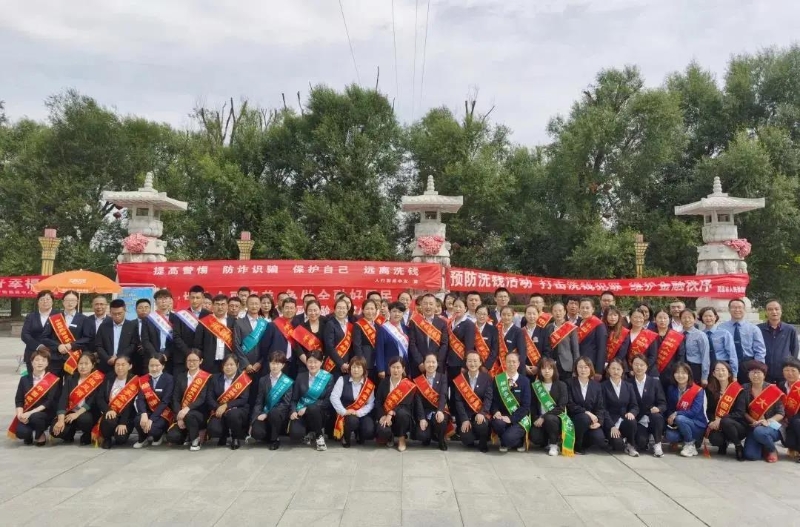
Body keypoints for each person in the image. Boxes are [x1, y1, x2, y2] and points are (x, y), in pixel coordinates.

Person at [51, 352, 104, 445]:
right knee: (55, 431)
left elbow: (91, 402)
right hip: (71, 411)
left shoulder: (97, 379)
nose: (83, 367)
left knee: (84, 419)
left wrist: (77, 414)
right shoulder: (70, 378)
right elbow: (63, 399)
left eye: (86, 364)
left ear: (93, 365)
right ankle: (69, 433)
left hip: (88, 412)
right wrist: (60, 419)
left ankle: (87, 434)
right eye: (80, 363)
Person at [9, 348, 60, 446]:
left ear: (47, 363)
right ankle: (28, 434)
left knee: (36, 417)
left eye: (43, 360)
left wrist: (29, 413)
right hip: (27, 412)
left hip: (45, 413)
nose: (40, 363)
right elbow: (19, 399)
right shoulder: (24, 379)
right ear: (31, 362)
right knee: (21, 433)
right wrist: (20, 415)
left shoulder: (53, 380)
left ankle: (40, 433)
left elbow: (49, 402)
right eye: (37, 360)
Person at [166, 350, 212, 452]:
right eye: (189, 360)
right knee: (173, 437)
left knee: (190, 415)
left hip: (200, 414)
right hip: (182, 414)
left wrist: (187, 408)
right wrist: (179, 416)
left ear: (201, 361)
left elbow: (202, 398)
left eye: (195, 360)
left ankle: (195, 440)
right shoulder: (181, 377)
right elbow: (175, 398)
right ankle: (188, 434)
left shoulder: (207, 377)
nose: (191, 363)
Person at [289, 350, 333, 451]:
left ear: (321, 362)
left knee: (313, 409)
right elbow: (294, 399)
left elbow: (327, 401)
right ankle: (310, 432)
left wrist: (307, 408)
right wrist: (293, 411)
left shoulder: (328, 377)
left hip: (320, 412)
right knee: (296, 434)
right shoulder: (300, 376)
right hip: (301, 411)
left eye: (315, 362)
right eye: (310, 362)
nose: (312, 365)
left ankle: (319, 436)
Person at [375, 356, 421, 451]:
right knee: (382, 431)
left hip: (402, 415)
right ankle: (390, 436)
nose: (395, 370)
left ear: (403, 369)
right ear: (389, 368)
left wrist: (391, 413)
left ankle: (401, 438)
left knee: (402, 414)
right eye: (393, 367)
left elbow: (405, 404)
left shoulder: (408, 384)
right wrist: (382, 416)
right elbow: (378, 402)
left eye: (398, 367)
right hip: (385, 415)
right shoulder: (383, 382)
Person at [742, 360, 784, 462]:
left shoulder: (773, 390)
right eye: (753, 372)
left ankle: (771, 449)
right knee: (751, 455)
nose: (755, 375)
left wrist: (767, 421)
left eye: (758, 372)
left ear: (764, 375)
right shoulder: (744, 388)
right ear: (748, 375)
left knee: (760, 432)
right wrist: (753, 421)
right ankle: (764, 445)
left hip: (772, 426)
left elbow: (781, 413)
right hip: (754, 425)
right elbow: (742, 411)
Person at [206, 354, 251, 450]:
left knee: (233, 414)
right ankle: (223, 435)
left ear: (237, 365)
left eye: (231, 364)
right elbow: (209, 398)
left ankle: (235, 437)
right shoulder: (215, 378)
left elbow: (243, 399)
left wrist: (226, 406)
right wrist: (218, 407)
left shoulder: (243, 379)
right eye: (226, 365)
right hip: (219, 409)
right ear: (222, 366)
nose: (228, 367)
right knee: (213, 429)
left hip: (238, 410)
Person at [250, 351, 294, 450]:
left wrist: (267, 414)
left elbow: (285, 403)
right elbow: (259, 401)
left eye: (278, 363)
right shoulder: (263, 380)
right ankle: (268, 434)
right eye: (273, 363)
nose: (275, 366)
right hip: (264, 412)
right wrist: (254, 419)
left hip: (279, 414)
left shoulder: (287, 381)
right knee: (256, 433)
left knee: (274, 413)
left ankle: (275, 439)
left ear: (283, 365)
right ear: (269, 364)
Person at [330, 356, 376, 447]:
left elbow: (371, 403)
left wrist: (359, 412)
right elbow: (334, 397)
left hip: (361, 413)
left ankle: (359, 433)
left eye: (359, 367)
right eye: (353, 367)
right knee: (352, 421)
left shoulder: (369, 384)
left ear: (364, 369)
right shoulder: (342, 380)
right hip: (346, 414)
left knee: (369, 429)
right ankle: (346, 437)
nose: (356, 370)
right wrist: (344, 411)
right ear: (350, 368)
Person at [95, 354, 139, 449]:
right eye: (117, 365)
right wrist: (108, 410)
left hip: (126, 417)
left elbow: (131, 405)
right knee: (109, 419)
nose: (120, 367)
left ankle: (119, 433)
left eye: (123, 365)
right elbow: (100, 398)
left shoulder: (135, 381)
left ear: (130, 366)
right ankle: (107, 438)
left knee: (120, 439)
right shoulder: (108, 378)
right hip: (111, 413)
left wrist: (123, 422)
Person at [490, 351, 531, 453]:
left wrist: (511, 419)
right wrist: (495, 411)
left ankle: (516, 441)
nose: (511, 364)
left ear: (518, 363)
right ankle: (506, 441)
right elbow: (493, 400)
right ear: (505, 363)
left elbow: (526, 406)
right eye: (509, 361)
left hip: (520, 418)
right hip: (502, 416)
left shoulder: (525, 381)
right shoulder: (498, 379)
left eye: (514, 362)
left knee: (508, 439)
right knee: (497, 424)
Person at [41, 290, 87, 378]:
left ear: (77, 302)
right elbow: (44, 337)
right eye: (67, 300)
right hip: (55, 358)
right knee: (54, 384)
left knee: (71, 384)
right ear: (63, 302)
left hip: (74, 358)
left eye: (73, 300)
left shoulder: (84, 319)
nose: (70, 303)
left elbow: (87, 338)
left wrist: (71, 345)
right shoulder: (54, 318)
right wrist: (58, 346)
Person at [664, 362, 707, 457]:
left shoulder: (698, 390)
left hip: (696, 424)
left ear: (689, 375)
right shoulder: (671, 389)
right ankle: (692, 441)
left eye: (683, 373)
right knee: (670, 435)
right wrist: (670, 417)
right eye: (677, 372)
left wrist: (676, 413)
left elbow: (694, 412)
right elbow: (670, 408)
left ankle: (689, 444)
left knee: (680, 418)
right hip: (679, 424)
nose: (680, 375)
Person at [705, 361, 746, 460]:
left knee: (726, 421)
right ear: (713, 373)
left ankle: (738, 446)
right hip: (718, 425)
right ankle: (723, 443)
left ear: (729, 373)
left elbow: (740, 413)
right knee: (715, 439)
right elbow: (709, 410)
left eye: (723, 370)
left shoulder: (738, 390)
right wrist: (712, 421)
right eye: (717, 370)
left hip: (737, 426)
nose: (720, 373)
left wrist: (721, 419)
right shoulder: (710, 390)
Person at [719, 299, 766, 385]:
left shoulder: (753, 328)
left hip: (748, 363)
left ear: (744, 309)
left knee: (748, 389)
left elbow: (760, 350)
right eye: (734, 307)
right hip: (728, 364)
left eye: (740, 307)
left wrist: (758, 368)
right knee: (729, 389)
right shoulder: (721, 328)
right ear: (729, 309)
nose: (737, 310)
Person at [530, 357, 571, 456]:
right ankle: (546, 441)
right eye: (543, 368)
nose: (547, 371)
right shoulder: (536, 386)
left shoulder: (561, 385)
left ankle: (554, 444)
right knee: (535, 438)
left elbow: (561, 407)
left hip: (555, 419)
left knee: (550, 418)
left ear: (554, 370)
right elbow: (532, 406)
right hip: (539, 420)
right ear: (540, 370)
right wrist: (536, 418)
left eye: (550, 368)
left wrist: (543, 417)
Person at [453, 351, 493, 452]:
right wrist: (464, 419)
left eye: (475, 361)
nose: (472, 364)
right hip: (467, 415)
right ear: (466, 363)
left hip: (481, 414)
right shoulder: (460, 379)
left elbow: (488, 398)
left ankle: (483, 441)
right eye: (470, 361)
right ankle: (472, 436)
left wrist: (482, 413)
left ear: (480, 363)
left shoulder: (487, 378)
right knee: (466, 439)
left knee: (481, 424)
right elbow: (458, 401)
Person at [628, 354, 667, 457]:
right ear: (631, 365)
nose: (639, 367)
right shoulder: (628, 383)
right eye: (636, 364)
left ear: (647, 366)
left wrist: (658, 408)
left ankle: (657, 444)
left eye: (642, 365)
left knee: (657, 417)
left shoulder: (654, 382)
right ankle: (643, 441)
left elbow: (663, 403)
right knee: (641, 442)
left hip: (652, 417)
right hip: (639, 419)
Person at [566, 356, 606, 454]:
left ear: (590, 368)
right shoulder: (569, 383)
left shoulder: (596, 386)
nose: (583, 370)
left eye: (586, 367)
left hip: (591, 421)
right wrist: (587, 412)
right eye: (580, 367)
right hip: (574, 418)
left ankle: (583, 442)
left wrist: (599, 422)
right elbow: (569, 404)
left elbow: (600, 407)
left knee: (599, 439)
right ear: (576, 368)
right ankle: (577, 446)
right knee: (584, 418)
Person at [133, 355, 174, 449]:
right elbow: (140, 399)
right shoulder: (143, 379)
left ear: (163, 366)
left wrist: (151, 419)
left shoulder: (169, 379)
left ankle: (158, 437)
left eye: (157, 365)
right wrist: (143, 413)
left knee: (153, 429)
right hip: (147, 411)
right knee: (138, 420)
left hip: (162, 413)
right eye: (151, 365)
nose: (154, 369)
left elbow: (165, 401)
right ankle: (142, 438)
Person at [601, 359, 639, 456]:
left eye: (618, 369)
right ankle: (619, 441)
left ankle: (631, 445)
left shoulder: (628, 386)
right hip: (611, 421)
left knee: (631, 420)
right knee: (618, 446)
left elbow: (634, 406)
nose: (616, 371)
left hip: (624, 420)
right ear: (608, 370)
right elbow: (603, 409)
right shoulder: (603, 386)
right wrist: (611, 426)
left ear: (623, 370)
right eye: (613, 368)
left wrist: (632, 412)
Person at [413, 353, 450, 451]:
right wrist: (422, 418)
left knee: (441, 421)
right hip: (425, 411)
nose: (431, 365)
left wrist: (440, 410)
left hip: (438, 409)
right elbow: (418, 401)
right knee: (422, 435)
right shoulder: (418, 380)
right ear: (424, 364)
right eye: (428, 362)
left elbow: (443, 395)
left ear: (437, 364)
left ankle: (441, 440)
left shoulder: (442, 377)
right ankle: (428, 436)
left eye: (433, 362)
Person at [171, 285, 210, 378]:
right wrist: (189, 352)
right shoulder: (180, 315)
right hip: (182, 358)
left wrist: (199, 354)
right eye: (192, 297)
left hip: (203, 359)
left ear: (203, 298)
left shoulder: (209, 315)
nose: (195, 300)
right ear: (188, 298)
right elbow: (176, 336)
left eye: (198, 298)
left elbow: (210, 339)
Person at [445, 298, 476, 409]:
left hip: (459, 363)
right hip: (447, 362)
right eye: (455, 306)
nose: (457, 309)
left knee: (457, 389)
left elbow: (469, 346)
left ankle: (456, 413)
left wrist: (464, 364)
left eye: (460, 306)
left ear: (465, 308)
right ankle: (448, 411)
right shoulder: (449, 322)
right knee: (446, 388)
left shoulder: (469, 324)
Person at [758, 300, 799, 384]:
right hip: (764, 373)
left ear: (781, 311)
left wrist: (791, 369)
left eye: (776, 309)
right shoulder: (758, 329)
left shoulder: (790, 329)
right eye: (770, 309)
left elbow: (794, 350)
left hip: (784, 373)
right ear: (766, 312)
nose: (774, 312)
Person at [408, 294, 449, 376]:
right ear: (421, 305)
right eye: (425, 303)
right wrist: (420, 362)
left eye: (431, 304)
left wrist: (436, 362)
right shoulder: (414, 322)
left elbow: (444, 344)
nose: (428, 306)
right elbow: (412, 344)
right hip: (419, 366)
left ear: (435, 306)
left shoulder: (442, 323)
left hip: (437, 365)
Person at [95, 299, 139, 375]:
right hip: (107, 364)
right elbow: (98, 345)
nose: (117, 316)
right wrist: (107, 359)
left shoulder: (132, 326)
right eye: (114, 314)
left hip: (125, 364)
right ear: (110, 312)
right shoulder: (104, 326)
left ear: (125, 311)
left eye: (119, 313)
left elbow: (133, 345)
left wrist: (118, 357)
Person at [194, 295, 236, 374]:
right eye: (217, 304)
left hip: (228, 362)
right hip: (208, 363)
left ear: (227, 306)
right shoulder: (204, 322)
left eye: (223, 304)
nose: (220, 307)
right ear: (213, 306)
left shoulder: (234, 322)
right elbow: (198, 344)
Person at [259, 297, 297, 378]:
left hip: (293, 365)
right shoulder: (273, 325)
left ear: (295, 310)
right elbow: (264, 347)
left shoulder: (298, 326)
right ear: (282, 309)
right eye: (287, 308)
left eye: (291, 308)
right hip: (276, 364)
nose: (289, 310)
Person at [21, 290, 56, 375]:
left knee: (52, 381)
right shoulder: (31, 316)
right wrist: (39, 346)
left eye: (48, 299)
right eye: (42, 299)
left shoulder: (59, 316)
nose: (45, 301)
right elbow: (25, 335)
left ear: (52, 301)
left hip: (54, 355)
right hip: (33, 354)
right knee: (33, 381)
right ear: (38, 302)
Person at [235, 294, 268, 384]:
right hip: (244, 366)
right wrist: (246, 364)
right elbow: (236, 344)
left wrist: (260, 363)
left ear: (260, 305)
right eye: (251, 304)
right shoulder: (239, 323)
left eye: (256, 304)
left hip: (260, 366)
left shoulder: (265, 324)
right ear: (246, 305)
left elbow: (267, 346)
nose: (254, 306)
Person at [699, 307, 738, 379]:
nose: (708, 318)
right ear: (702, 318)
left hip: (723, 366)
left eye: (710, 316)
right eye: (705, 316)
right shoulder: (700, 335)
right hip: (707, 367)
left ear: (715, 317)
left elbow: (732, 354)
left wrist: (734, 373)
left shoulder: (724, 333)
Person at [653, 308, 685, 394]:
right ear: (655, 319)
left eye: (665, 318)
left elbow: (681, 356)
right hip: (652, 372)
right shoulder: (649, 334)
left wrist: (677, 371)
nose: (662, 320)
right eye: (660, 317)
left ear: (669, 319)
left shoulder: (677, 336)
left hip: (671, 372)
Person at [543, 302, 579, 380]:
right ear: (552, 313)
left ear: (565, 312)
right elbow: (546, 347)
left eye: (560, 310)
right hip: (551, 364)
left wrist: (575, 368)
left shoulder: (570, 327)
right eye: (555, 311)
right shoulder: (548, 327)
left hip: (566, 365)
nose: (558, 313)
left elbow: (575, 350)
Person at [375, 302, 410, 378]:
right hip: (389, 367)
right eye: (394, 311)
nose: (397, 314)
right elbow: (379, 350)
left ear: (403, 314)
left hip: (404, 367)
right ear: (389, 312)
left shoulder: (406, 328)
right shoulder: (383, 329)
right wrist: (381, 369)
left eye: (399, 312)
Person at [292, 300, 325, 376]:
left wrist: (319, 363)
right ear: (306, 312)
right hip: (304, 366)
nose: (313, 313)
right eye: (310, 310)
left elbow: (328, 346)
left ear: (320, 311)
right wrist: (308, 363)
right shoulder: (301, 327)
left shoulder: (326, 326)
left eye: (315, 310)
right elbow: (298, 349)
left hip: (322, 365)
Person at [323, 298, 354, 377]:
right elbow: (329, 346)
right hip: (333, 364)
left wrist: (349, 363)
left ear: (347, 310)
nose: (341, 310)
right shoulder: (330, 324)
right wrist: (341, 364)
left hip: (347, 365)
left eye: (343, 308)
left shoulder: (350, 325)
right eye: (339, 308)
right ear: (335, 310)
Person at [577, 298, 607, 377]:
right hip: (578, 364)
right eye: (582, 308)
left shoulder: (599, 325)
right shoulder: (577, 323)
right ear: (579, 309)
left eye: (587, 308)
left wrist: (599, 371)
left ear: (593, 309)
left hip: (591, 365)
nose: (585, 310)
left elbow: (602, 349)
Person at [679, 309, 710, 386]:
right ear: (680, 319)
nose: (687, 320)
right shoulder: (678, 335)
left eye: (689, 317)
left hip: (696, 368)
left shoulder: (700, 335)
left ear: (694, 319)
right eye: (684, 317)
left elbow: (705, 356)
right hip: (681, 368)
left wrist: (704, 377)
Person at [495, 306, 527, 377]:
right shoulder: (497, 330)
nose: (506, 317)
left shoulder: (518, 331)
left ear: (513, 316)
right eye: (503, 315)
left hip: (514, 366)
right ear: (500, 316)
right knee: (501, 383)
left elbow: (522, 352)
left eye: (509, 315)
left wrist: (518, 366)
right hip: (499, 365)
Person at [779, 357, 800, 462]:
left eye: (793, 370)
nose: (790, 373)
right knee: (789, 442)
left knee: (797, 422)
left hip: (797, 420)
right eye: (786, 370)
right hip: (787, 420)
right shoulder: (781, 385)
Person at [626, 309, 658, 377]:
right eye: (635, 317)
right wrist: (629, 370)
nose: (638, 320)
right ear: (630, 318)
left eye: (640, 317)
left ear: (644, 318)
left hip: (648, 372)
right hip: (629, 373)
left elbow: (652, 356)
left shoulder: (650, 335)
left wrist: (641, 369)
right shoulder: (625, 334)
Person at [352, 299, 379, 380]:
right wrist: (361, 363)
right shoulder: (358, 325)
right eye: (367, 309)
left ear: (376, 310)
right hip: (366, 361)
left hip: (377, 362)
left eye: (372, 309)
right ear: (363, 310)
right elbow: (357, 345)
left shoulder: (378, 325)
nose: (370, 311)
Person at [521, 305, 544, 379]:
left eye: (534, 313)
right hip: (523, 369)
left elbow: (547, 351)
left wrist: (538, 366)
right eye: (529, 313)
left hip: (539, 370)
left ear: (538, 315)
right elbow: (516, 351)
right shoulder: (520, 332)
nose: (531, 316)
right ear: (525, 315)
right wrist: (523, 366)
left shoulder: (543, 331)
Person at [474, 305, 499, 373]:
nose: (481, 316)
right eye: (479, 313)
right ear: (475, 314)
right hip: (473, 365)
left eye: (484, 314)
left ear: (488, 316)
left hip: (489, 366)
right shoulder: (471, 328)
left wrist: (486, 366)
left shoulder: (493, 329)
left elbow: (494, 350)